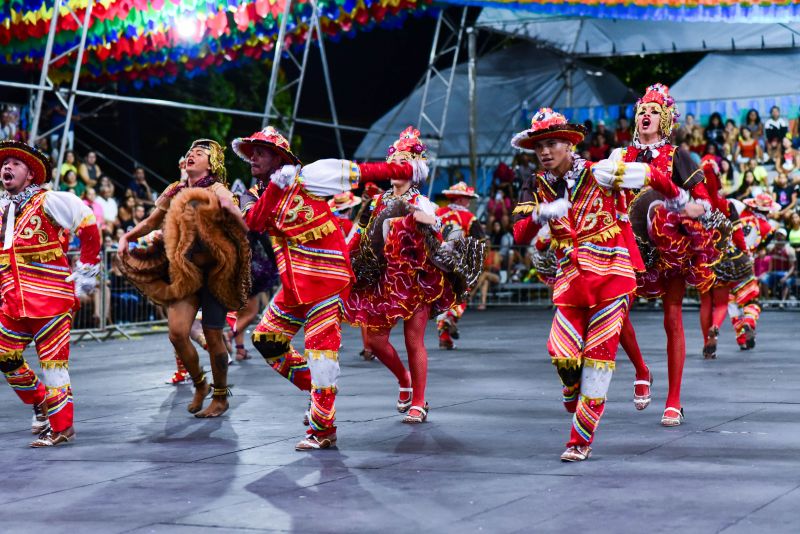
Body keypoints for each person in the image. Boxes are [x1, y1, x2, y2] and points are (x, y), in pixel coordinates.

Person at [510, 108, 685, 461]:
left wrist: (679, 200)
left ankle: (580, 440)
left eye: (553, 143)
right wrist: (539, 215)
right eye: (540, 145)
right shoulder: (535, 184)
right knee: (559, 351)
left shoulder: (601, 172)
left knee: (598, 360)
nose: (545, 151)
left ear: (569, 144)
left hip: (612, 278)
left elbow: (651, 174)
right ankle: (573, 388)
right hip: (571, 281)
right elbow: (517, 234)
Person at [241, 126, 380, 450]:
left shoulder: (308, 181)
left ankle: (323, 428)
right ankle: (318, 394)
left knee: (321, 356)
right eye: (251, 153)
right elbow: (253, 222)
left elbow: (360, 172)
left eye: (260, 152)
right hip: (294, 287)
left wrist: (403, 169)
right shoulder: (258, 192)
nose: (253, 158)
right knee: (266, 340)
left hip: (325, 283)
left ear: (279, 158)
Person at [344, 127, 483, 428]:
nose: (398, 166)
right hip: (382, 281)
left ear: (414, 168)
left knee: (413, 340)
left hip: (417, 281)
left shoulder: (422, 202)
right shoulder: (376, 202)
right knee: (375, 341)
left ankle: (419, 401)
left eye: (405, 161)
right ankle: (404, 379)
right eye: (395, 159)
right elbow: (359, 233)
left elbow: (439, 225)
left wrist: (429, 221)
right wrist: (343, 258)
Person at [611, 83, 719, 427]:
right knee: (613, 313)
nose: (646, 115)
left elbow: (703, 203)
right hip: (628, 247)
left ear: (666, 119)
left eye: (654, 111)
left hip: (670, 250)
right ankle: (642, 370)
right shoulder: (620, 158)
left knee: (672, 318)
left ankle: (674, 400)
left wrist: (677, 210)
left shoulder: (678, 156)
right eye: (642, 110)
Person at [118, 139, 250, 418]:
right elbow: (153, 221)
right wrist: (127, 236)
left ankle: (220, 396)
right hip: (185, 271)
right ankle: (200, 384)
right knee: (177, 333)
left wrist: (238, 219)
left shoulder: (217, 189)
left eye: (199, 153)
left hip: (215, 272)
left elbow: (232, 209)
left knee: (214, 336)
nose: (191, 156)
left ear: (211, 163)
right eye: (190, 152)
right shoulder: (174, 190)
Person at [0, 140, 101, 447]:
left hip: (51, 301)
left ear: (30, 174)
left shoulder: (49, 200)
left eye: (15, 164)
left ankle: (62, 428)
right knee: (4, 354)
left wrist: (85, 272)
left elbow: (88, 224)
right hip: (14, 301)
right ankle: (40, 401)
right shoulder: (4, 209)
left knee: (53, 365)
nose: (6, 167)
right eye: (5, 164)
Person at [697, 156, 751, 359]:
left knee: (705, 303)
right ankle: (715, 330)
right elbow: (738, 234)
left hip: (702, 259)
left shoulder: (697, 206)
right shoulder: (728, 205)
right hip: (723, 259)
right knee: (720, 304)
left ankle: (706, 344)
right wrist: (744, 253)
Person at [435, 181, 486, 349]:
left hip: (436, 261)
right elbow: (480, 242)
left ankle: (444, 338)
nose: (468, 202)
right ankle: (450, 317)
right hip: (459, 264)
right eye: (467, 199)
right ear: (461, 200)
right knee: (460, 295)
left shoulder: (438, 213)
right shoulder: (469, 218)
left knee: (442, 298)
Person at [733, 193, 778, 348]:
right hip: (746, 264)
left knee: (733, 303)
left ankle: (741, 340)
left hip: (726, 264)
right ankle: (749, 321)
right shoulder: (768, 229)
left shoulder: (741, 213)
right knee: (751, 300)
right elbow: (760, 248)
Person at [760, 228, 796, 301]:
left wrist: (786, 276)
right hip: (773, 273)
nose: (779, 236)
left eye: (781, 235)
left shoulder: (790, 250)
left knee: (787, 281)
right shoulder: (770, 248)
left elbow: (792, 267)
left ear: (785, 236)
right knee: (763, 279)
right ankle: (767, 300)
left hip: (786, 273)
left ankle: (782, 301)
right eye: (777, 235)